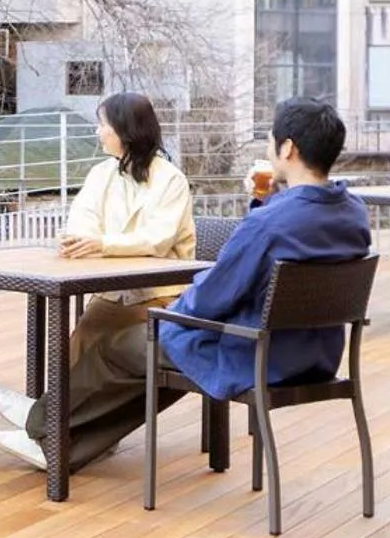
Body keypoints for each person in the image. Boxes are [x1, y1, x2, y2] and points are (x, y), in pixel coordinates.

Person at [0, 92, 196, 471]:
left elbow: (158, 239)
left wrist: (101, 244)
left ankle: (45, 422)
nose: (98, 133)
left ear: (126, 132)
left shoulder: (172, 180)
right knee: (84, 335)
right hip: (116, 288)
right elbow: (82, 218)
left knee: (97, 338)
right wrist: (80, 239)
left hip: (161, 294)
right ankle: (54, 424)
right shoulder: (102, 173)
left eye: (104, 125)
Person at [155, 97, 372, 404]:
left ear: (287, 149)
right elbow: (299, 228)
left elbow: (212, 296)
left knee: (122, 347)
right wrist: (266, 201)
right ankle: (81, 441)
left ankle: (70, 440)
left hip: (255, 358)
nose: (269, 150)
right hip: (319, 358)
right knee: (134, 354)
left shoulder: (268, 223)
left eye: (271, 141)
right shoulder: (355, 213)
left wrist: (168, 311)